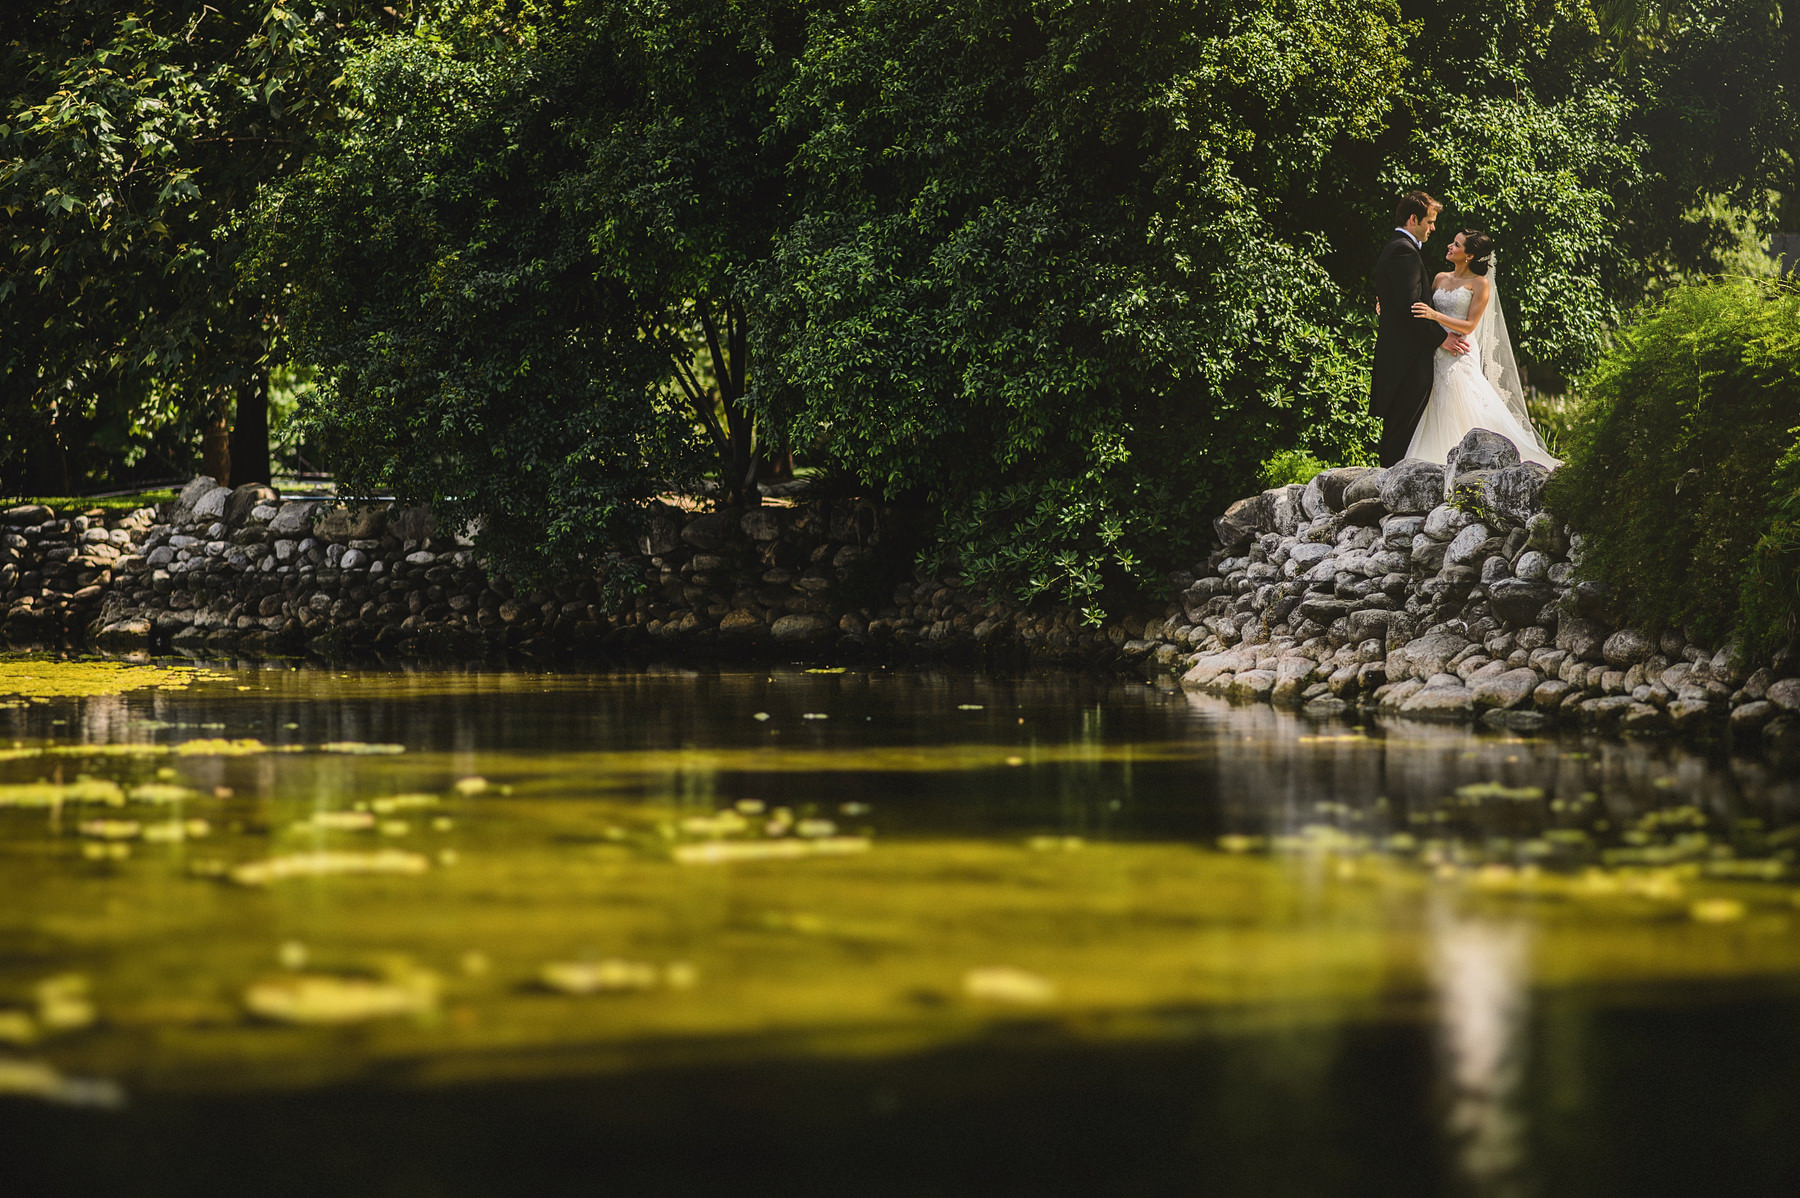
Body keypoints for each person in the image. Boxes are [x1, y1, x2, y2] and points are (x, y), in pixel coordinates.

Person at [1406, 230, 1560, 469]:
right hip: (1437, 350)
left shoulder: (1480, 284)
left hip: (1460, 353)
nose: (1449, 246)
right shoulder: (1439, 278)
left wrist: (1435, 315)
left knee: (1459, 403)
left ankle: (1466, 463)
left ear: (1469, 255)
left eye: (1456, 245)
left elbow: (1469, 324)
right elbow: (1417, 307)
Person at [1371, 192, 1471, 466]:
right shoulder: (1404, 250)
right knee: (1402, 434)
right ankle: (1390, 492)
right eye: (1429, 221)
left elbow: (1399, 302)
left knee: (1401, 433)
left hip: (1401, 357)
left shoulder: (1395, 247)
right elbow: (1412, 309)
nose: (1433, 228)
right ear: (1413, 219)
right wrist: (1443, 339)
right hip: (1407, 360)